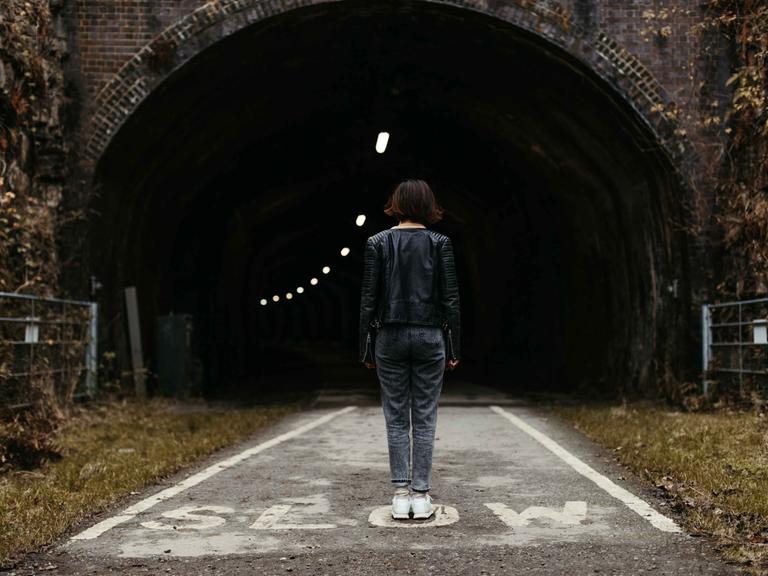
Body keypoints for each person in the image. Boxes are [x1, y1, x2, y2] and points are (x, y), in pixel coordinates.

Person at [358, 179, 461, 520]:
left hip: (389, 336)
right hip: (431, 335)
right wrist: (454, 346)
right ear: (429, 206)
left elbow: (368, 300)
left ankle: (401, 497)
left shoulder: (377, 242)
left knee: (397, 416)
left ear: (396, 204)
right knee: (425, 416)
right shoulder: (440, 243)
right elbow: (450, 300)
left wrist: (366, 348)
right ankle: (422, 494)